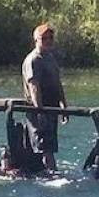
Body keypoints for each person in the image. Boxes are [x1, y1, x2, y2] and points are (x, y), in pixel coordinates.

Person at [21, 23, 68, 171]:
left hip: (51, 108)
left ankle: (45, 171)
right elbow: (34, 87)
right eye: (44, 38)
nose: (48, 41)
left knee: (50, 146)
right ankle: (53, 176)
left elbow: (57, 84)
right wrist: (39, 111)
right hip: (38, 108)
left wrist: (63, 107)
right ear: (36, 40)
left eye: (50, 38)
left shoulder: (50, 58)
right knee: (44, 147)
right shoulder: (33, 60)